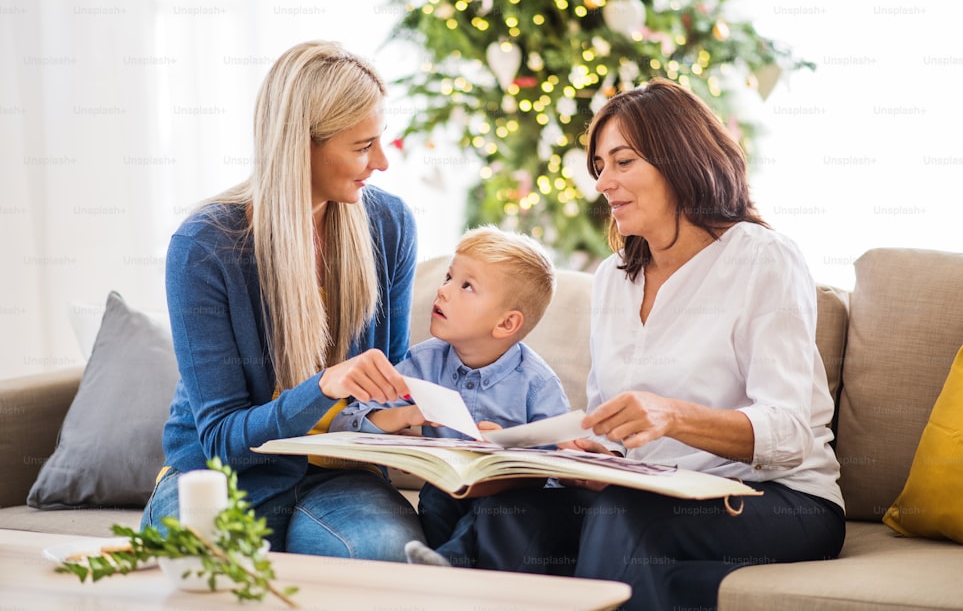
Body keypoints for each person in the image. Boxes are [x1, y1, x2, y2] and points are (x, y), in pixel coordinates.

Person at [467, 78, 846, 610]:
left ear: (680, 159)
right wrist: (593, 453)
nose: (604, 182)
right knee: (510, 514)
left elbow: (790, 433)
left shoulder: (763, 259)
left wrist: (673, 416)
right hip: (654, 488)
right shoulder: (612, 279)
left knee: (624, 516)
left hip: (779, 498)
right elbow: (613, 423)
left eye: (623, 162)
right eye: (599, 167)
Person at [141, 40, 425, 560]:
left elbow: (393, 386)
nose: (381, 162)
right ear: (302, 147)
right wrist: (323, 387)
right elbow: (222, 440)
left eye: (378, 140)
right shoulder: (206, 246)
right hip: (223, 479)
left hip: (343, 479)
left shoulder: (390, 225)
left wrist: (448, 421)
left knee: (386, 552)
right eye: (363, 146)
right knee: (211, 565)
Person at [334, 225, 570, 565]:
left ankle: (446, 565)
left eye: (466, 286)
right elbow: (348, 419)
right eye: (448, 277)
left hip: (506, 506)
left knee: (492, 511)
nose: (442, 291)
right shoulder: (423, 362)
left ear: (506, 324)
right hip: (444, 492)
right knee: (437, 498)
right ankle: (438, 563)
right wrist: (405, 415)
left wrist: (509, 446)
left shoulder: (537, 383)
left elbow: (558, 461)